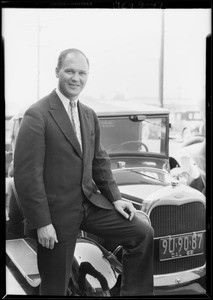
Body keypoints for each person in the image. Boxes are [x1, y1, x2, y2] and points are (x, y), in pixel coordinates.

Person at [14, 48, 154, 296]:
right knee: (55, 288)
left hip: (90, 205)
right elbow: (27, 176)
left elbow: (99, 161)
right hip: (56, 217)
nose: (75, 78)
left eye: (82, 73)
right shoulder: (37, 114)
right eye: (69, 71)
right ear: (57, 71)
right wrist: (42, 223)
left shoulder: (88, 114)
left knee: (142, 232)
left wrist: (116, 198)